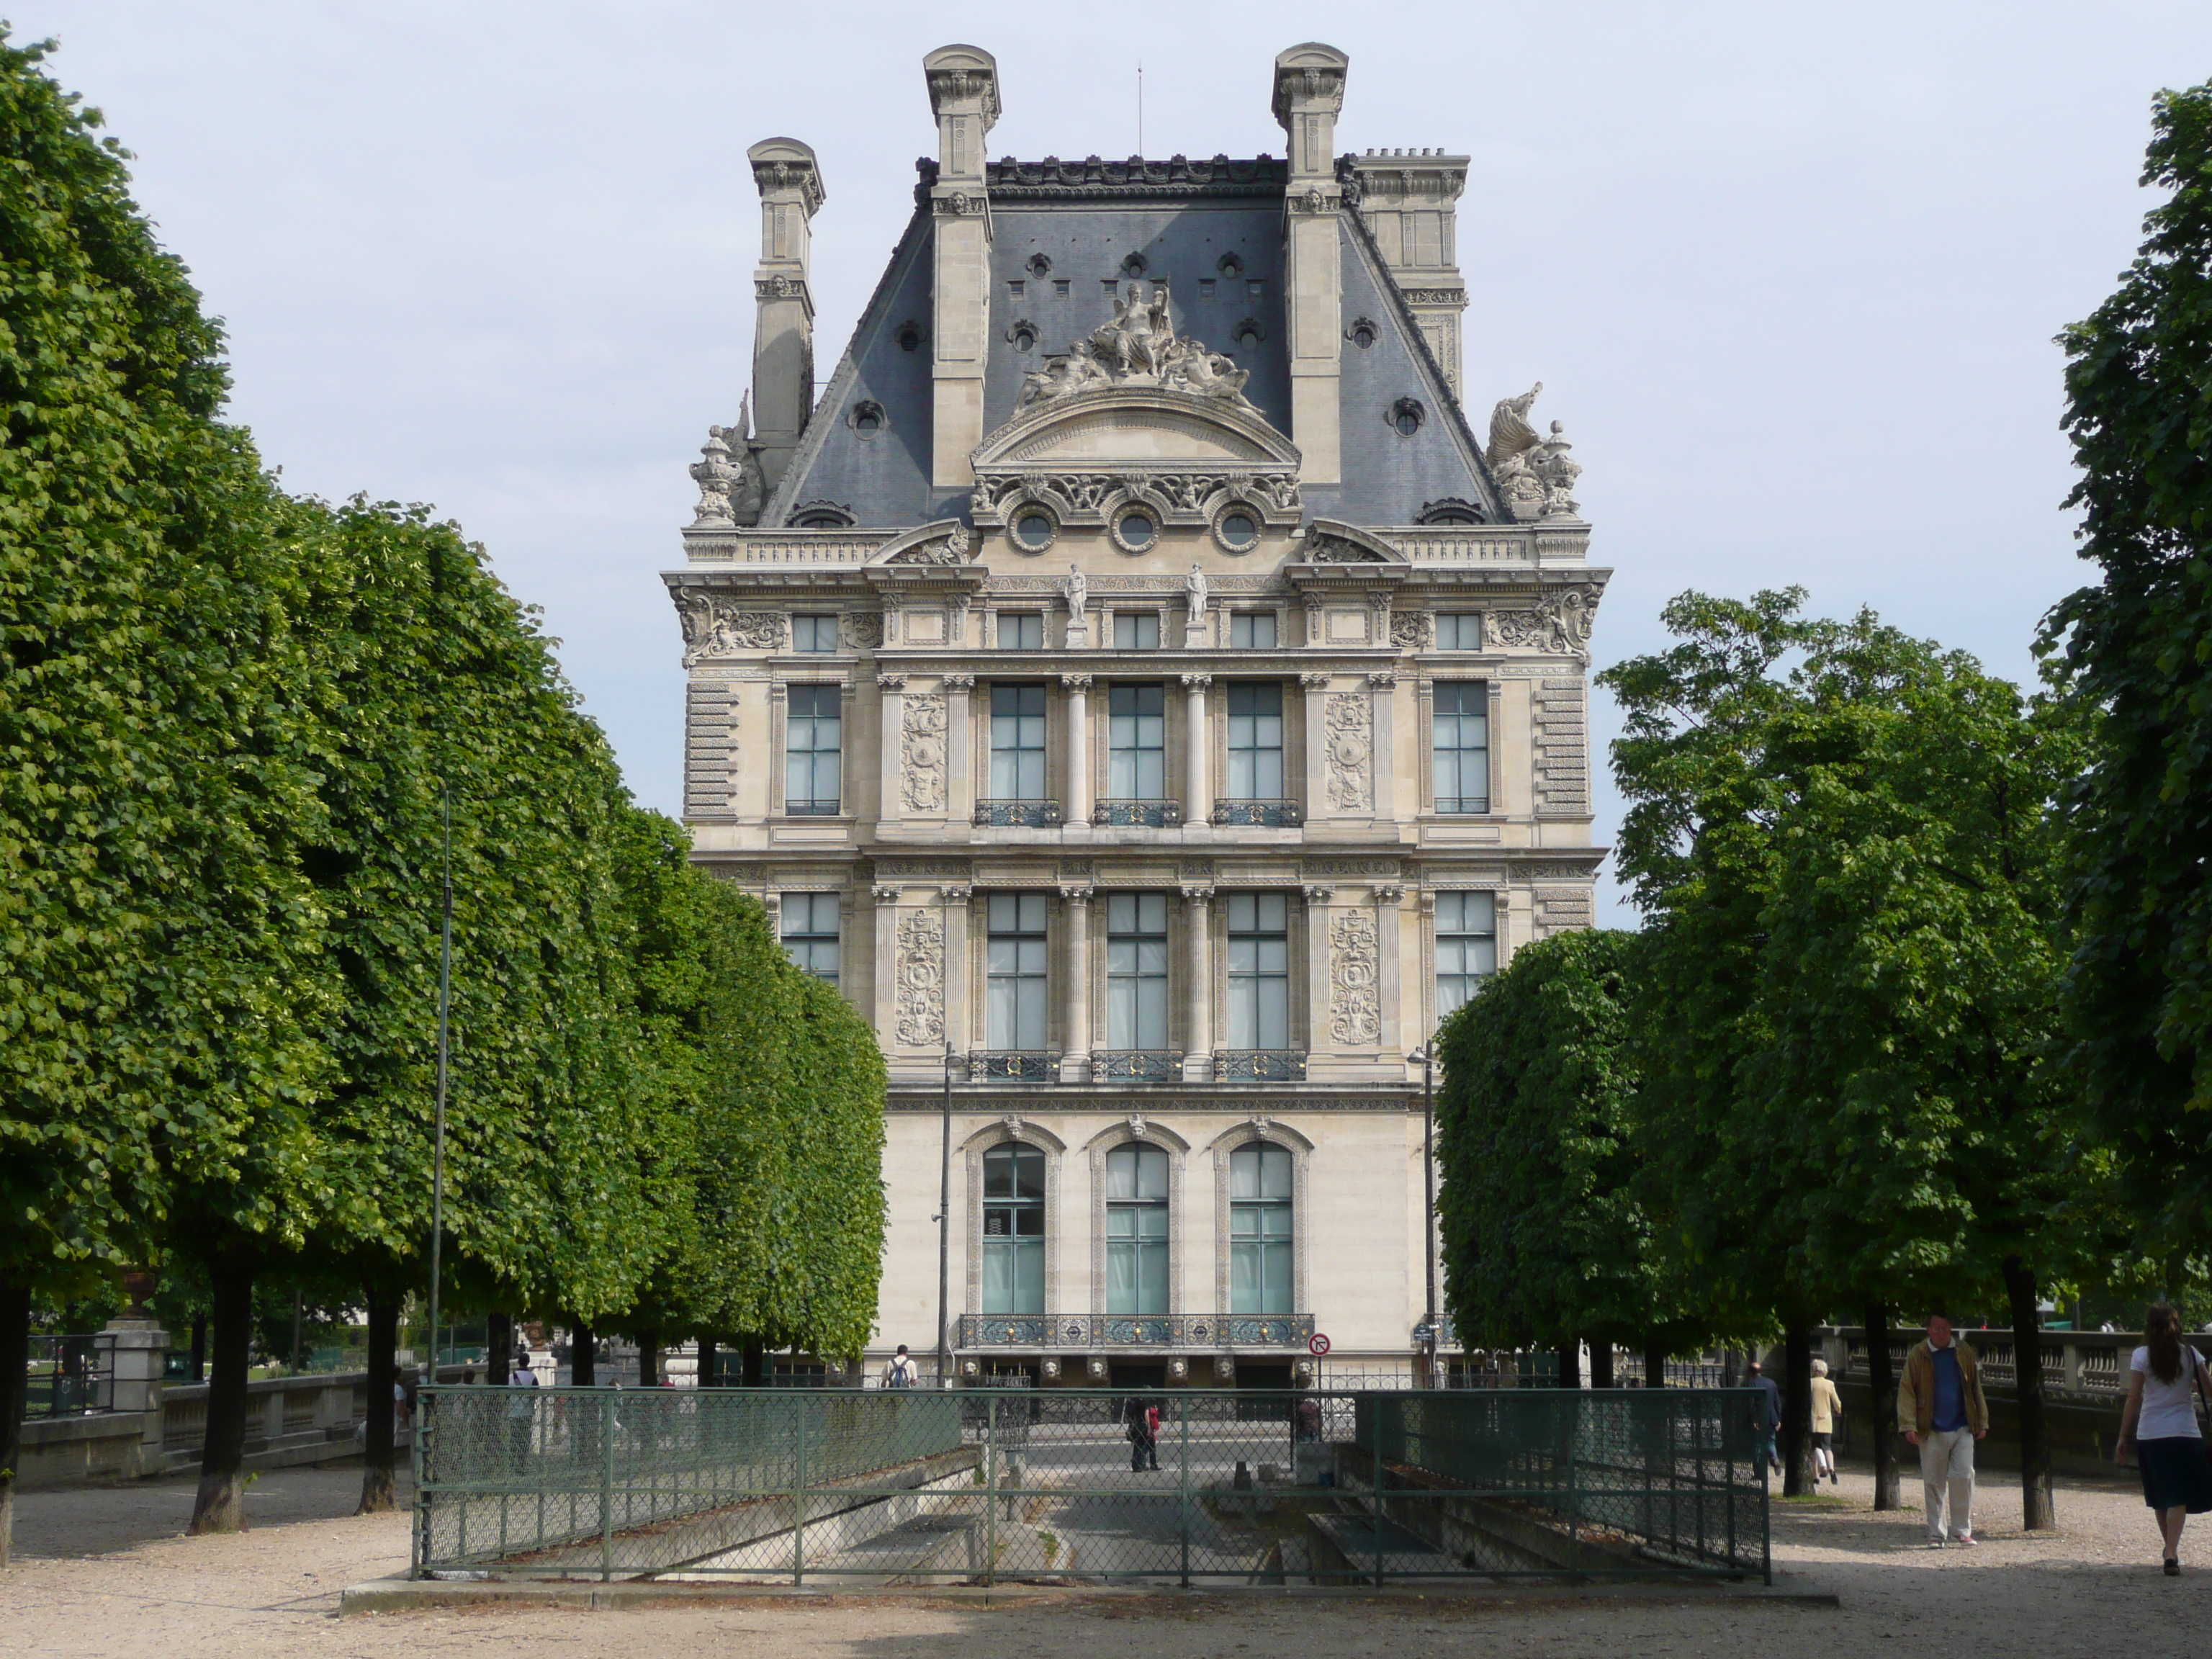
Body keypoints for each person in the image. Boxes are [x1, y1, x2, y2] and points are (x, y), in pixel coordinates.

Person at [2116, 1300, 2212, 1575]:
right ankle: (2171, 1550)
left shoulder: (2142, 1356)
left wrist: (2123, 1436)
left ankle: (2170, 1551)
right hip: (2185, 1433)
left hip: (2152, 1434)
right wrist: (2188, 1383)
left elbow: (2134, 1398)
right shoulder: (2191, 1355)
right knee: (2178, 1496)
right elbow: (2210, 1391)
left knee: (2161, 1496)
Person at [1898, 1312, 1988, 1547]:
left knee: (1963, 1476)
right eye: (1937, 1329)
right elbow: (1907, 1391)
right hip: (1931, 1428)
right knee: (1933, 1482)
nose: (1941, 1334)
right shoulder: (1918, 1355)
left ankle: (1962, 1530)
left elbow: (1975, 1387)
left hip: (1962, 1426)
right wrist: (1908, 1424)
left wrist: (1982, 1421)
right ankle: (1936, 1535)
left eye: (1946, 1330)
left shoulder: (1963, 1351)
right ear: (1928, 1330)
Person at [1809, 1357, 1843, 1485]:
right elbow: (1837, 1403)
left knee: (1814, 1448)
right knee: (1827, 1448)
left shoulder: (1810, 1383)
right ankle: (1832, 1469)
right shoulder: (1829, 1384)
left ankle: (1816, 1476)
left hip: (1813, 1420)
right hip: (1826, 1420)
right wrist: (1837, 1411)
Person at [1746, 1359, 1782, 1476]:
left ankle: (1758, 1471)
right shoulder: (1772, 1383)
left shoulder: (1751, 1384)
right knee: (1771, 1441)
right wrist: (1778, 1419)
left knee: (1757, 1444)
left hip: (1759, 1418)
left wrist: (1754, 1419)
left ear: (1751, 1372)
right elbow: (1777, 1402)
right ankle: (1774, 1459)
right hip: (1772, 1418)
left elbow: (1751, 1403)